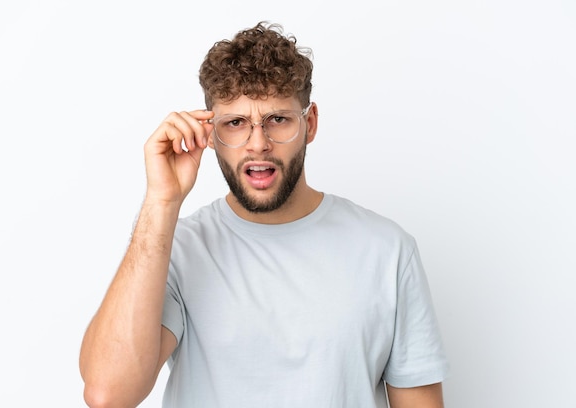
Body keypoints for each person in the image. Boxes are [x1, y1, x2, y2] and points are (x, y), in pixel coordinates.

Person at [79, 21, 449, 408]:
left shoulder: (387, 251)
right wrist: (162, 200)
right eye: (235, 123)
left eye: (278, 120)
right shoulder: (176, 249)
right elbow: (109, 394)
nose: (258, 144)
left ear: (310, 124)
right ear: (210, 134)